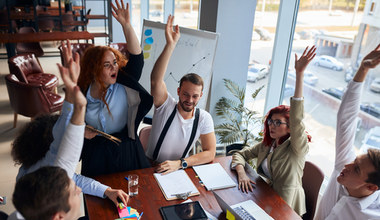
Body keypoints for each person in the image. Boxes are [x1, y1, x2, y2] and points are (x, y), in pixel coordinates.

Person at [10, 40, 129, 208]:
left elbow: (75, 177)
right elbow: (64, 131)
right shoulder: (54, 170)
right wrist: (74, 94)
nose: (77, 191)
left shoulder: (33, 168)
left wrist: (107, 191)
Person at [231, 46, 316, 216]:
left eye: (278, 122)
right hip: (267, 197)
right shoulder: (268, 144)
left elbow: (298, 120)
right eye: (271, 121)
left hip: (287, 206)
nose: (272, 125)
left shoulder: (297, 147)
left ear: (290, 127)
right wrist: (241, 173)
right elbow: (239, 155)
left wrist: (299, 74)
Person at [75, 0, 152, 176]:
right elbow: (67, 123)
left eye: (115, 63)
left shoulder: (123, 83)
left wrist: (126, 26)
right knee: (97, 197)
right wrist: (81, 131)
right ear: (94, 69)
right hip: (95, 152)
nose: (114, 68)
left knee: (133, 195)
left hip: (125, 148)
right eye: (107, 65)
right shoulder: (82, 91)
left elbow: (137, 59)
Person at [8, 52, 87, 220]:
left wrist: (75, 98)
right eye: (74, 192)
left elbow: (66, 156)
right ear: (58, 217)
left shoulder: (33, 179)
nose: (78, 190)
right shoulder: (51, 175)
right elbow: (67, 155)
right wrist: (79, 106)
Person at [314, 44, 380, 220]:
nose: (346, 166)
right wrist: (363, 70)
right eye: (355, 162)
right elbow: (346, 120)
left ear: (372, 187)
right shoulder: (343, 166)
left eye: (356, 169)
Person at [145, 15, 216, 174]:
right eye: (185, 94)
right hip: (150, 168)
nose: (190, 100)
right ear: (178, 91)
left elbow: (210, 152)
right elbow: (156, 81)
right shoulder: (166, 106)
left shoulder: (203, 118)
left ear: (201, 95)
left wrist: (180, 164)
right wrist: (170, 45)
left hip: (178, 171)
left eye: (195, 96)